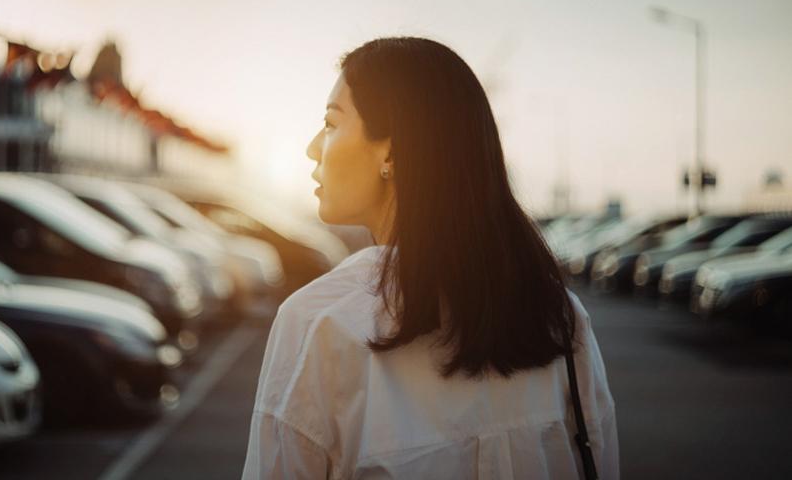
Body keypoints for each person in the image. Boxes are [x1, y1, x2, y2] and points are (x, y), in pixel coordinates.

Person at [241, 37, 618, 479]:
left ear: (391, 152)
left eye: (330, 122)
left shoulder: (321, 323)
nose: (311, 147)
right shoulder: (558, 317)